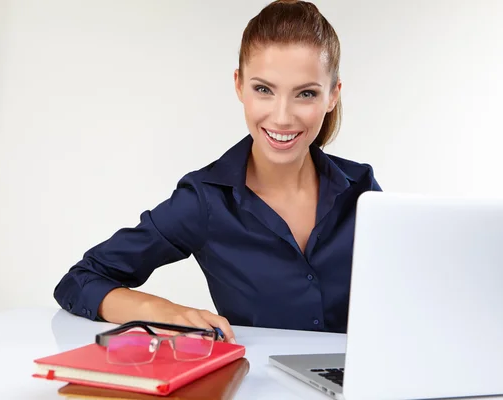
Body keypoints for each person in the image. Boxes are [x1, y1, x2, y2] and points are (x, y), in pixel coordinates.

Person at [53, 0, 381, 344]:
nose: (282, 117)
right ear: (239, 85)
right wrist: (166, 313)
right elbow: (80, 280)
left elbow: (411, 293)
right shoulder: (205, 200)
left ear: (332, 96)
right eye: (264, 90)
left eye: (306, 94)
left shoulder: (363, 191)